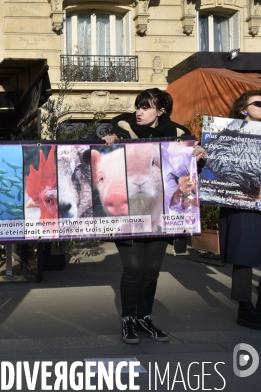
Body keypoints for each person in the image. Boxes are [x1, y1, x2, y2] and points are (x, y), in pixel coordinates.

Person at [103, 88, 206, 344]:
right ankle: (128, 320)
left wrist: (199, 158)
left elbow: (189, 175)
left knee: (151, 269)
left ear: (161, 111)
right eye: (138, 106)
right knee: (134, 267)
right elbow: (97, 138)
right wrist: (106, 139)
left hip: (161, 213)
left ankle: (144, 319)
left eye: (146, 107)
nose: (139, 112)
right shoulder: (122, 127)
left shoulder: (179, 135)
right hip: (128, 213)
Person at [218, 90, 261, 329]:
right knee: (243, 253)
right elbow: (217, 164)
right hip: (241, 201)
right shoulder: (227, 132)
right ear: (243, 109)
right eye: (258, 103)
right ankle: (244, 307)